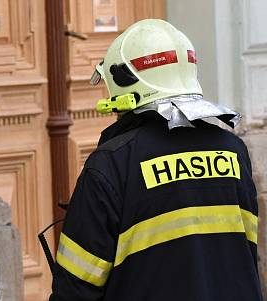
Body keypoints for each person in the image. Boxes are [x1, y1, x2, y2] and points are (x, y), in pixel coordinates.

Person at [50, 19, 261, 300]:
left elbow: (75, 287)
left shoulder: (111, 165)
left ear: (123, 86)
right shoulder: (233, 151)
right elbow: (244, 252)